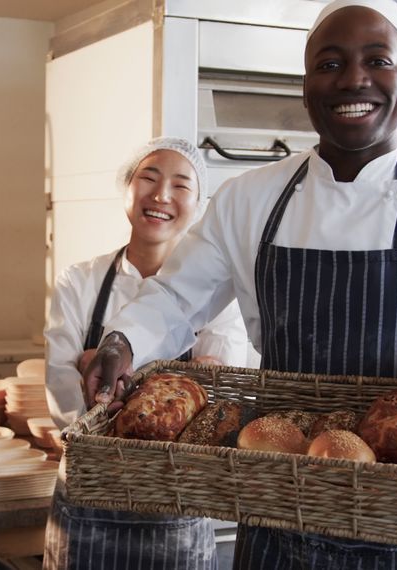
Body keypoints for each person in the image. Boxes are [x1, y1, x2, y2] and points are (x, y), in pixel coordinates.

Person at [80, 1, 397, 568]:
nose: (353, 79)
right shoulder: (249, 201)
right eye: (330, 63)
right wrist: (123, 341)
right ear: (305, 88)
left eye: (378, 60)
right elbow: (176, 298)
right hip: (277, 506)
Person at [42, 137, 248, 569]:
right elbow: (63, 387)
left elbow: (222, 386)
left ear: (198, 204)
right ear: (127, 189)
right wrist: (174, 388)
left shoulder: (215, 293)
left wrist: (100, 369)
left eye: (180, 185)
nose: (161, 195)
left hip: (177, 489)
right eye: (148, 178)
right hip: (90, 483)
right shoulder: (80, 280)